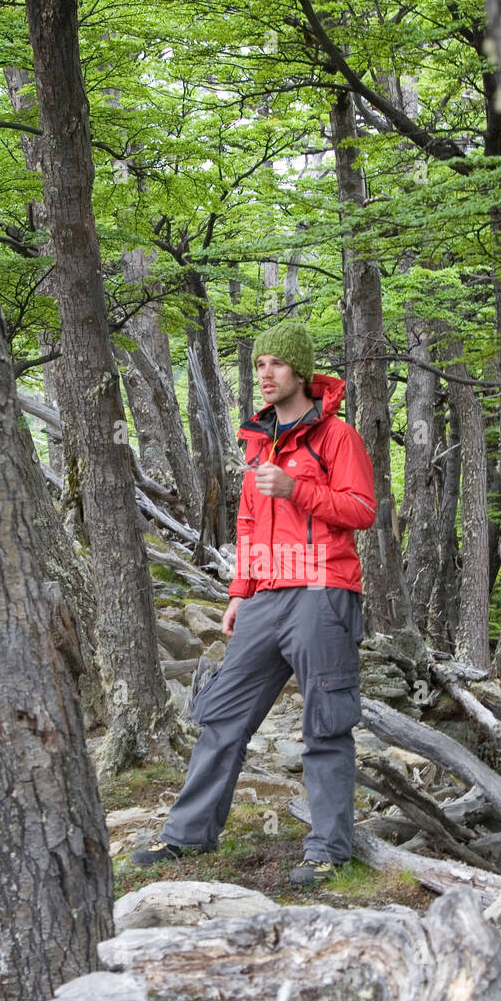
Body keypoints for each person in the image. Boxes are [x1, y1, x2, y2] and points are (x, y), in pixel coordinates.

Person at [131, 318, 377, 885]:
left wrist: (298, 490)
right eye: (260, 363)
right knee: (221, 715)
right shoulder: (257, 439)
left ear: (302, 372)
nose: (266, 373)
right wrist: (241, 591)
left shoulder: (338, 437)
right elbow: (248, 521)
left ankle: (328, 851)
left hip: (322, 590)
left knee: (325, 723)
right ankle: (187, 838)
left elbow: (362, 510)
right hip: (265, 596)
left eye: (278, 364)